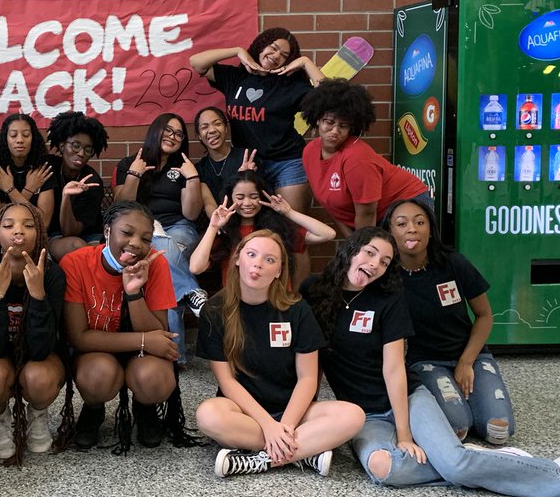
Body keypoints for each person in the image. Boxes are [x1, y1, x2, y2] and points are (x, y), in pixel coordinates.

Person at [302, 228, 560, 497]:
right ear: (351, 250)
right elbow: (310, 362)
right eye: (370, 253)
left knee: (454, 465)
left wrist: (403, 434)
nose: (374, 265)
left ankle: (557, 472)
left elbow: (394, 369)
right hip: (364, 414)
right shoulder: (314, 291)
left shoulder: (388, 300)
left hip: (407, 400)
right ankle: (477, 460)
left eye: (385, 261)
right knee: (384, 469)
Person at [195, 229, 364, 478]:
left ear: (278, 271)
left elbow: (308, 378)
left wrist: (284, 426)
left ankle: (260, 460)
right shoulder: (215, 310)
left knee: (353, 415)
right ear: (238, 259)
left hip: (294, 408)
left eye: (270, 260)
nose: (258, 264)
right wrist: (268, 425)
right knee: (207, 415)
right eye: (252, 254)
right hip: (243, 411)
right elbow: (227, 382)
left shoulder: (296, 309)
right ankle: (305, 451)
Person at [382, 197, 515, 445]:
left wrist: (466, 363)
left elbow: (485, 316)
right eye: (401, 224)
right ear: (390, 232)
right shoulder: (387, 276)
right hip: (425, 362)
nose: (412, 228)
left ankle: (474, 400)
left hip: (471, 356)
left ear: (430, 230)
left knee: (498, 431)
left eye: (419, 222)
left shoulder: (453, 263)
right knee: (458, 427)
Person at [60, 201, 183, 452]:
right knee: (97, 376)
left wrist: (134, 293)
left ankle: (144, 407)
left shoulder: (156, 263)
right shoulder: (76, 263)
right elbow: (78, 337)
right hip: (95, 350)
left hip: (142, 354)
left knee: (153, 377)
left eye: (146, 238)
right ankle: (93, 409)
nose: (136, 243)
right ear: (107, 231)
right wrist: (143, 341)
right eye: (127, 233)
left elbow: (158, 333)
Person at [0, 202, 67, 465]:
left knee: (38, 376)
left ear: (40, 234)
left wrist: (38, 296)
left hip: (39, 357)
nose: (18, 231)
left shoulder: (53, 275)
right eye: (8, 225)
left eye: (28, 225)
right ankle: (2, 420)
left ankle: (37, 414)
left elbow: (42, 350)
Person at [189, 28, 323, 211]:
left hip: (287, 163)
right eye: (273, 48)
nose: (276, 56)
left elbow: (328, 100)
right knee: (255, 223)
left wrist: (306, 63)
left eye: (284, 55)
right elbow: (196, 62)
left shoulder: (291, 85)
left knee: (291, 224)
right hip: (248, 164)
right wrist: (237, 51)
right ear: (261, 45)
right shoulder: (236, 78)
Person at [113, 112, 208, 357]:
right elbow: (121, 205)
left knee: (164, 252)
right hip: (142, 232)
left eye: (178, 134)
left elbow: (191, 212)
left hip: (179, 228)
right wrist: (135, 174)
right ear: (155, 131)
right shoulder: (129, 163)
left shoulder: (184, 167)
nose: (173, 136)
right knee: (163, 260)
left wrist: (193, 178)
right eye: (168, 130)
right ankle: (190, 293)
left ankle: (174, 354)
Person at [299, 79, 430, 235]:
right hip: (370, 215)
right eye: (329, 122)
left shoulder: (356, 158)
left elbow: (367, 213)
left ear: (352, 128)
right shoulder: (309, 152)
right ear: (317, 120)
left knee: (401, 257)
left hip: (405, 202)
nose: (335, 130)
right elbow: (333, 207)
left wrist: (362, 247)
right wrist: (352, 246)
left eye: (343, 125)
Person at [189, 171, 335, 284]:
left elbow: (327, 234)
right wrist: (214, 226)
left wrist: (289, 212)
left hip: (276, 303)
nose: (247, 203)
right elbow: (195, 267)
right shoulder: (225, 233)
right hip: (238, 305)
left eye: (253, 196)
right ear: (230, 198)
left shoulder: (277, 229)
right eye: (240, 197)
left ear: (262, 197)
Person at [43, 111, 108, 261]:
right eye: (76, 145)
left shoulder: (92, 182)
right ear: (62, 146)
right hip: (53, 234)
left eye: (87, 149)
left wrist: (66, 197)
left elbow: (70, 231)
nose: (81, 153)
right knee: (79, 249)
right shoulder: (48, 167)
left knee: (91, 254)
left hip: (87, 233)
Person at [0, 113, 55, 230]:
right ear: (5, 138)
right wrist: (28, 192)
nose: (20, 140)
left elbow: (44, 222)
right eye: (13, 135)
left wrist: (10, 190)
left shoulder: (42, 168)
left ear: (33, 138)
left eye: (26, 135)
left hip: (36, 235)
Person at [191, 106, 254, 215]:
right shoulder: (199, 169)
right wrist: (218, 223)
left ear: (225, 128)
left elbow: (256, 197)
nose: (212, 130)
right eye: (204, 127)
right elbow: (209, 204)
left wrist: (246, 176)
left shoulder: (246, 157)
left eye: (217, 123)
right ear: (199, 136)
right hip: (218, 222)